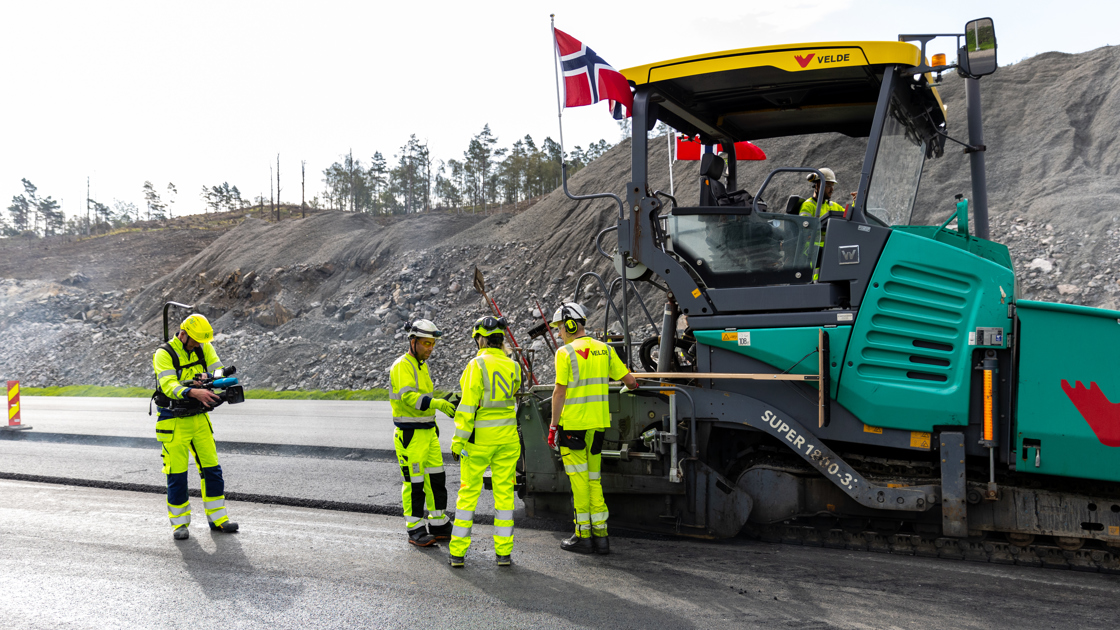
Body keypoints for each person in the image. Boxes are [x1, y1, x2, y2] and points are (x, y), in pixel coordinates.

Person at [547, 302, 639, 554]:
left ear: (570, 324)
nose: (559, 333)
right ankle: (601, 536)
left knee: (579, 482)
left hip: (573, 426)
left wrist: (553, 427)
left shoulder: (565, 353)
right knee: (594, 480)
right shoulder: (606, 350)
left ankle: (583, 535)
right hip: (598, 426)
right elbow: (631, 382)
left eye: (559, 328)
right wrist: (628, 387)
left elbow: (559, 392)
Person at [152, 313, 238, 540]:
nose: (200, 344)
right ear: (183, 334)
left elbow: (218, 371)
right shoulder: (164, 354)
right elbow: (168, 385)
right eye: (196, 340)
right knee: (177, 474)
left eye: (202, 341)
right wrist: (192, 390)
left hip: (199, 418)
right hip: (173, 421)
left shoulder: (204, 346)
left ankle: (218, 519)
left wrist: (211, 379)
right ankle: (179, 524)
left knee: (212, 469)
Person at [447, 316, 522, 568]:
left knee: (468, 495)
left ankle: (458, 553)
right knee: (504, 498)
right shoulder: (514, 366)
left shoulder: (476, 365)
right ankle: (504, 554)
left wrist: (458, 441)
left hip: (479, 442)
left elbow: (467, 407)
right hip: (508, 441)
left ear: (481, 338)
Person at [389, 319, 458, 547]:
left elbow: (423, 401)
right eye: (426, 343)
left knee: (436, 479)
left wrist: (435, 413)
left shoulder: (421, 365)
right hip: (411, 436)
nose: (430, 348)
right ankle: (415, 528)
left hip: (428, 433)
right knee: (415, 483)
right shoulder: (402, 365)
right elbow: (409, 398)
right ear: (413, 341)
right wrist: (436, 403)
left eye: (433, 344)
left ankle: (438, 523)